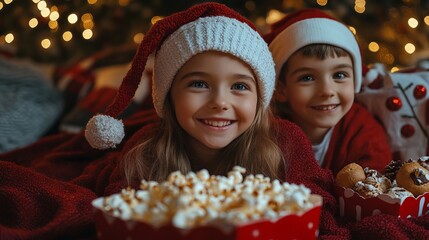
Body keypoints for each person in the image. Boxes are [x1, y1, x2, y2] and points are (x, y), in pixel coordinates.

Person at [263, 9, 392, 175]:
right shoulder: (270, 132)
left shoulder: (364, 131)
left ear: (355, 80)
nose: (327, 91)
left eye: (339, 75)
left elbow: (376, 189)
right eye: (307, 78)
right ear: (280, 89)